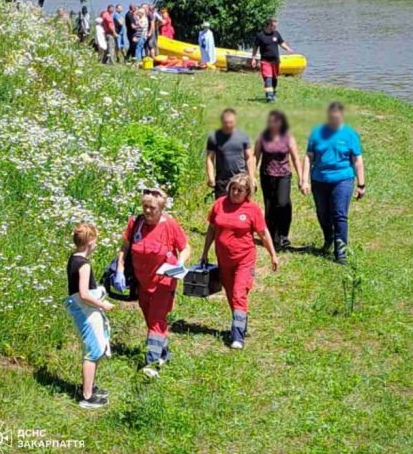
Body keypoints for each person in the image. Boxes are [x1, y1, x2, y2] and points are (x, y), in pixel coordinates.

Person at [116, 188, 191, 377]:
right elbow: (125, 248)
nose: (148, 211)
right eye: (145, 207)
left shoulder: (170, 225)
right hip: (143, 281)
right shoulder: (135, 223)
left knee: (156, 321)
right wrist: (119, 270)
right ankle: (164, 354)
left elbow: (185, 248)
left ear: (161, 208)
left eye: (153, 208)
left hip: (164, 281)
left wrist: (180, 264)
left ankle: (151, 364)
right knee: (151, 320)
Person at [201, 174, 278, 349]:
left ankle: (237, 337)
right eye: (233, 188)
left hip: (245, 259)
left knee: (238, 293)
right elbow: (211, 229)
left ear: (247, 192)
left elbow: (264, 234)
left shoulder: (252, 209)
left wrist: (273, 254)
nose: (235, 193)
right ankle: (241, 320)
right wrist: (205, 252)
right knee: (231, 295)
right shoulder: (219, 204)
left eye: (240, 190)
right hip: (224, 259)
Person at [301, 101, 365, 265]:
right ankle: (329, 238)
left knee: (339, 215)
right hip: (319, 179)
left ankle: (341, 252)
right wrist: (304, 179)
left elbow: (357, 160)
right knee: (323, 213)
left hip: (343, 179)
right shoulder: (317, 132)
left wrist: (361, 184)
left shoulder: (350, 134)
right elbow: (309, 156)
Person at [65, 223, 113, 409]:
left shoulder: (73, 259)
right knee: (93, 351)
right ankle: (87, 396)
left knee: (97, 347)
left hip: (81, 308)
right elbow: (84, 294)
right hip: (86, 311)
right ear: (90, 242)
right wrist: (103, 305)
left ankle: (90, 386)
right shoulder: (84, 265)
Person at [254, 110, 302, 250]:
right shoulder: (263, 137)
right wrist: (251, 176)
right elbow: (255, 156)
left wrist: (301, 178)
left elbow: (295, 158)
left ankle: (284, 234)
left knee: (283, 203)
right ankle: (272, 236)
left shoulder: (287, 137)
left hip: (283, 175)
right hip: (267, 174)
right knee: (270, 206)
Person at [206, 108, 254, 199]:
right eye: (226, 122)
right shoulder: (214, 137)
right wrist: (211, 177)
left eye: (231, 122)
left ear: (235, 122)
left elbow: (249, 157)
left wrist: (251, 177)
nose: (228, 125)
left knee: (241, 207)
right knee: (222, 207)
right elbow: (209, 158)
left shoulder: (243, 137)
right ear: (222, 122)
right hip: (222, 180)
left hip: (240, 179)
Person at [251, 18, 293, 103]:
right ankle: (269, 97)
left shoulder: (276, 34)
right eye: (274, 26)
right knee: (268, 78)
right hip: (265, 61)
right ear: (269, 25)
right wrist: (253, 58)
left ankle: (272, 93)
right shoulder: (260, 36)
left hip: (275, 61)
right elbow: (255, 47)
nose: (275, 27)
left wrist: (288, 48)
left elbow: (281, 43)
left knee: (274, 79)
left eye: (276, 26)